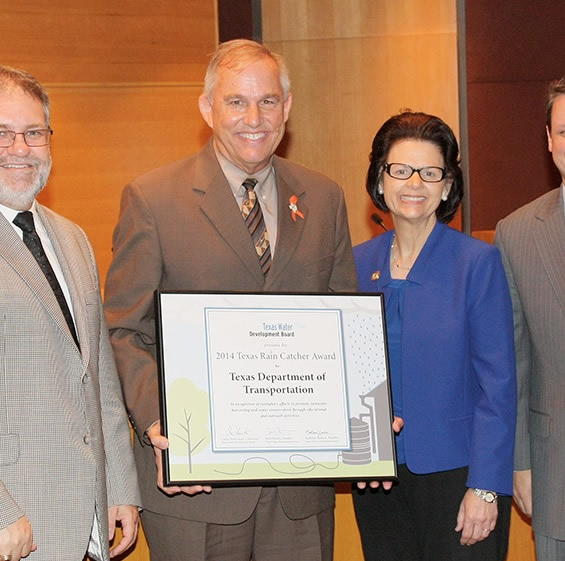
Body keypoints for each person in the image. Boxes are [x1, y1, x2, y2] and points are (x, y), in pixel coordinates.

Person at [103, 39, 357, 561]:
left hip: (298, 493)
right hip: (197, 491)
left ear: (286, 108)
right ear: (207, 108)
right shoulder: (153, 199)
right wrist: (159, 424)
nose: (254, 117)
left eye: (268, 101)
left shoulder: (325, 197)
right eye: (236, 101)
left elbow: (344, 325)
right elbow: (125, 329)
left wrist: (366, 407)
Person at [352, 110, 517, 561]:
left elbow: (498, 386)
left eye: (430, 173)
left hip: (459, 478)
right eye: (400, 170)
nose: (414, 184)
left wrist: (485, 487)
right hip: (377, 480)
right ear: (380, 179)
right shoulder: (353, 264)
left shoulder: (476, 264)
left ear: (447, 187)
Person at [0, 65, 141, 561]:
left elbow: (96, 376)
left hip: (82, 515)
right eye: (2, 133)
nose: (20, 148)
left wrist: (120, 485)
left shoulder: (72, 238)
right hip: (14, 522)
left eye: (34, 133)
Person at [494, 77, 565, 560]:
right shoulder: (516, 233)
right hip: (556, 471)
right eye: (564, 131)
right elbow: (512, 363)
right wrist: (520, 463)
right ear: (548, 140)